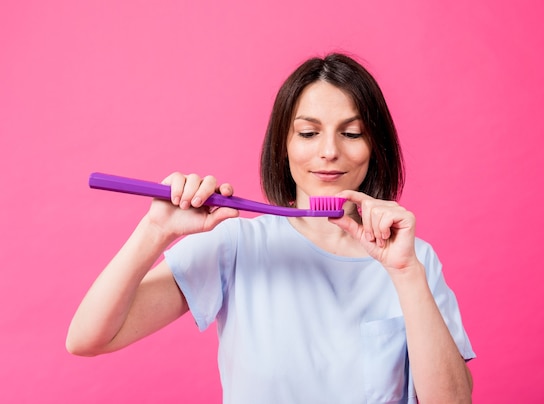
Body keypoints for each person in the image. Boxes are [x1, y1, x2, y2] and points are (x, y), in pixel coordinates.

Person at [66, 53, 475, 403]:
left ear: (375, 146)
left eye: (351, 133)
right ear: (284, 144)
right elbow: (88, 338)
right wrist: (155, 230)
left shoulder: (414, 260)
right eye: (309, 133)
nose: (329, 151)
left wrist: (405, 275)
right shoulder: (236, 244)